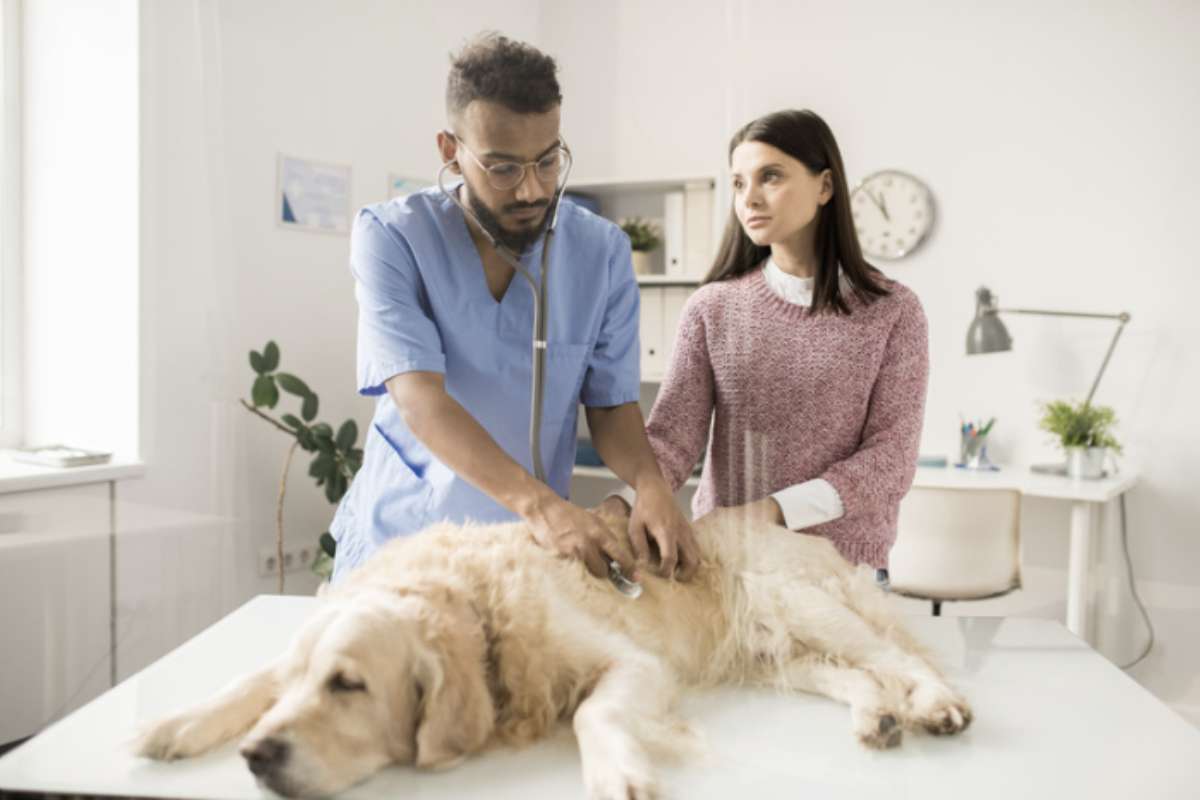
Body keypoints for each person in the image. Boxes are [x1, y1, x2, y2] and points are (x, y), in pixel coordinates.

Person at [329, 33, 699, 584]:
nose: (531, 190)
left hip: (531, 556)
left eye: (548, 161)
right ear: (450, 151)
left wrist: (650, 485)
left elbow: (611, 407)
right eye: (503, 169)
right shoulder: (392, 238)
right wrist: (542, 506)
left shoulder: (601, 252)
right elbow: (420, 400)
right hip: (405, 544)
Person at [612, 109, 928, 576]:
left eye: (770, 177)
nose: (750, 199)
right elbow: (672, 440)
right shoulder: (711, 309)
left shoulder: (893, 311)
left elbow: (890, 461)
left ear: (825, 187)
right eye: (739, 183)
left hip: (843, 577)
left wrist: (770, 511)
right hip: (727, 570)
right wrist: (620, 503)